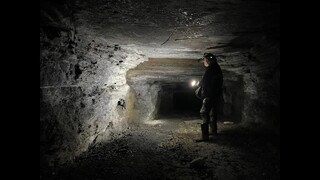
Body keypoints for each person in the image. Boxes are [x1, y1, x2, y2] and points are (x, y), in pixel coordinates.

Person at [195, 53, 223, 142]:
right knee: (212, 113)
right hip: (215, 95)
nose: (204, 62)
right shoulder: (217, 68)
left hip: (209, 96)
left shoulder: (210, 69)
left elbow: (205, 81)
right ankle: (214, 131)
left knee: (204, 113)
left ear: (207, 60)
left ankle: (205, 136)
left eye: (204, 60)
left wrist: (199, 85)